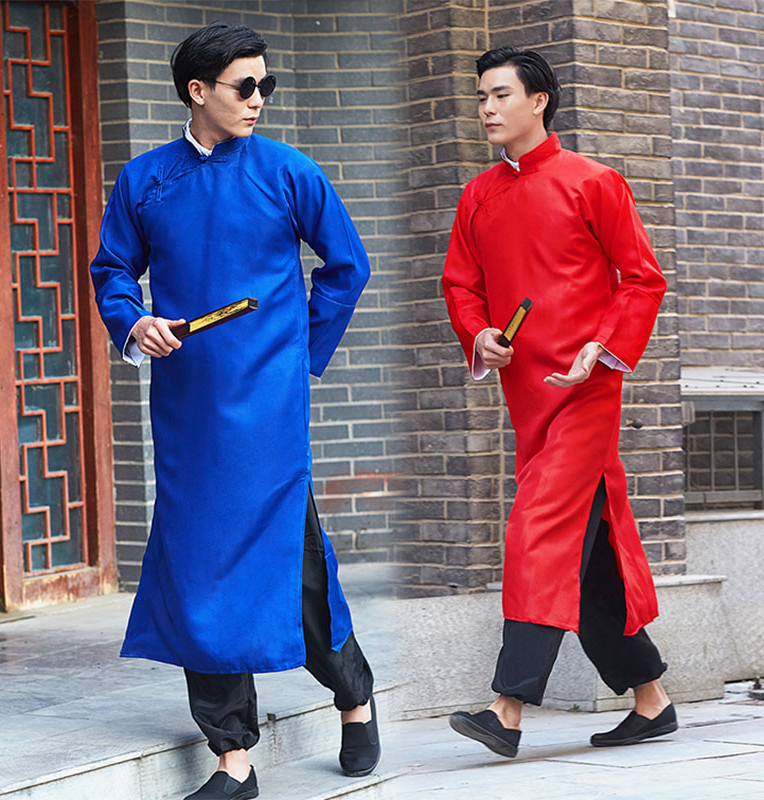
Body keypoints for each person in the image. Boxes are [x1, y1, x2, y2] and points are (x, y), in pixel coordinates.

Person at [90, 23, 379, 800]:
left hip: (270, 404)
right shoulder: (145, 180)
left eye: (264, 85)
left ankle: (353, 694)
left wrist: (298, 355)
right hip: (188, 405)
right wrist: (135, 323)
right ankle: (233, 757)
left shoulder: (288, 171)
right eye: (243, 86)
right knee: (200, 570)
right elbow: (112, 269)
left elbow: (347, 267)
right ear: (197, 91)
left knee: (295, 564)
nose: (258, 99)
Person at [441, 47, 677, 758]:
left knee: (536, 526)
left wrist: (601, 348)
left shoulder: (594, 182)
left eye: (500, 94)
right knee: (586, 549)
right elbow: (461, 284)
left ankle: (507, 707)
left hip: (586, 389)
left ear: (538, 100)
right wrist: (480, 334)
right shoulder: (478, 195)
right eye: (481, 96)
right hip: (526, 396)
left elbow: (643, 279)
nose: (487, 108)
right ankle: (651, 700)